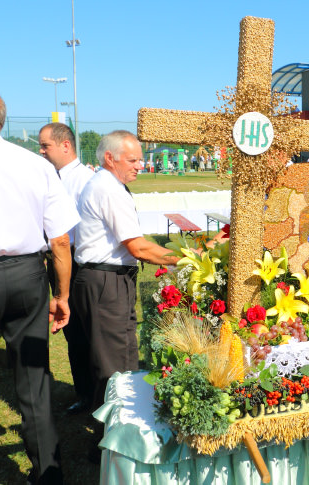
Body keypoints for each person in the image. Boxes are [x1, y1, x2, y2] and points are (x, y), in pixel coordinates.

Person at [0, 87, 80, 484]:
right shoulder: (34, 164)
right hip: (27, 276)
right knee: (34, 382)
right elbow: (61, 241)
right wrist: (62, 294)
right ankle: (49, 473)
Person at [71, 130, 182, 460]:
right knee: (115, 365)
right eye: (132, 160)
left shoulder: (108, 185)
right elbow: (137, 246)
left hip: (104, 280)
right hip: (106, 282)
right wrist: (189, 258)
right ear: (110, 158)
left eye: (140, 159)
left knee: (116, 356)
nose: (140, 166)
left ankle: (113, 433)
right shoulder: (108, 189)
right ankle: (116, 446)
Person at [38, 122, 95, 415]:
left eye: (45, 145)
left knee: (86, 333)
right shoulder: (52, 177)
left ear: (65, 145)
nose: (41, 151)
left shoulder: (85, 180)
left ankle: (96, 396)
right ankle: (84, 394)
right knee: (72, 333)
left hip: (76, 261)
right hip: (56, 261)